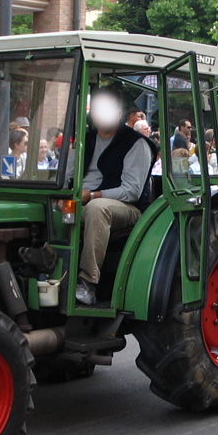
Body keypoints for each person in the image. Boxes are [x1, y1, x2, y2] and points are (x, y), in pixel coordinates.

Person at [71, 86, 155, 306]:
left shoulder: (136, 143)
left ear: (119, 112)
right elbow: (68, 173)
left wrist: (93, 195)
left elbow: (132, 190)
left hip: (126, 208)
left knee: (97, 209)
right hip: (82, 200)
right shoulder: (84, 140)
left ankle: (88, 283)